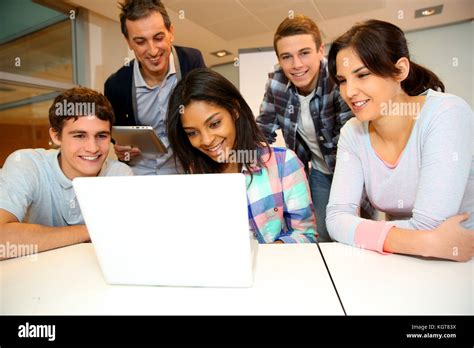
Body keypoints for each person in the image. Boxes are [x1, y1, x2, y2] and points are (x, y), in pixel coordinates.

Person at [326, 19, 473, 262]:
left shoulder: (447, 113)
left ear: (400, 70)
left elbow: (430, 226)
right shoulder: (352, 132)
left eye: (362, 75)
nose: (349, 92)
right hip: (402, 259)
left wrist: (362, 232)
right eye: (342, 80)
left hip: (460, 262)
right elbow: (335, 218)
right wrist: (424, 242)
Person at [167, 68, 317, 243]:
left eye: (215, 124)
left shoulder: (283, 164)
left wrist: (266, 254)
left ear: (235, 110)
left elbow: (306, 235)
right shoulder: (194, 175)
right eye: (192, 133)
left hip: (273, 267)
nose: (206, 140)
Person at [0, 87, 133, 260]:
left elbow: (129, 240)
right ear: (56, 136)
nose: (93, 148)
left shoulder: (120, 175)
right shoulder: (27, 164)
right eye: (79, 135)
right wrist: (90, 231)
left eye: (101, 136)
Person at [256, 15, 357, 242]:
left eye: (304, 53)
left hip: (352, 167)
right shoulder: (277, 83)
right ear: (279, 60)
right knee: (322, 234)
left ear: (321, 50)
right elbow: (263, 129)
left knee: (353, 235)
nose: (297, 65)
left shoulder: (337, 79)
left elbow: (353, 135)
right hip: (319, 171)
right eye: (287, 57)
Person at [104, 0, 206, 175]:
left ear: (171, 32)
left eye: (158, 38)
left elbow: (207, 112)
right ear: (129, 42)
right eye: (140, 41)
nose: (152, 51)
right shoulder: (116, 85)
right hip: (139, 174)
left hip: (186, 171)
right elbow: (117, 138)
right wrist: (122, 150)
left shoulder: (192, 62)